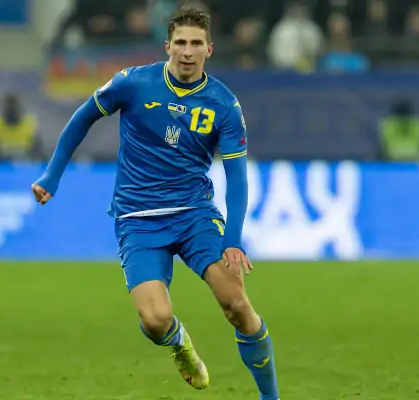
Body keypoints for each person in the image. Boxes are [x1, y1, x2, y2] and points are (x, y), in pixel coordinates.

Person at [31, 6, 280, 400]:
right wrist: (52, 175)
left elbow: (237, 177)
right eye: (180, 42)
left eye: (195, 43)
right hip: (138, 218)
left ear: (209, 49)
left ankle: (270, 397)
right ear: (167, 46)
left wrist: (233, 239)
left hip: (194, 214)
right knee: (155, 320)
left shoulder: (224, 105)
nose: (187, 51)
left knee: (236, 304)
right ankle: (179, 342)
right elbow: (82, 118)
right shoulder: (133, 83)